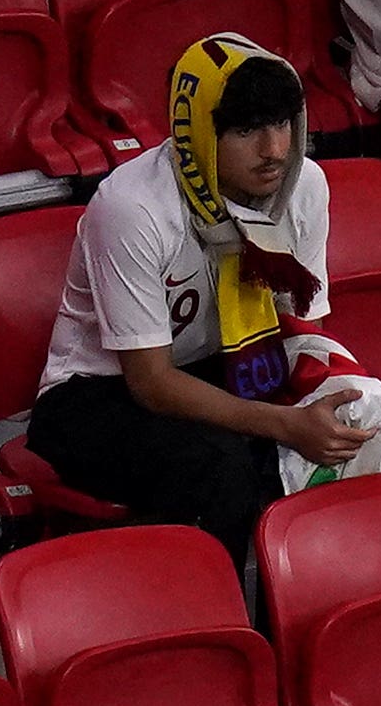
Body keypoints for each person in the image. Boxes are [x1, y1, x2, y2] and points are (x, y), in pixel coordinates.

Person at [24, 40, 352, 567]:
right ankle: (216, 633)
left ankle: (306, 623)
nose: (275, 150)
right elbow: (150, 383)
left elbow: (306, 329)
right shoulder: (132, 208)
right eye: (246, 131)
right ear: (198, 133)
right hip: (95, 396)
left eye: (283, 124)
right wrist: (284, 424)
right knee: (220, 470)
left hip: (220, 367)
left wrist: (333, 401)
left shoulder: (303, 185)